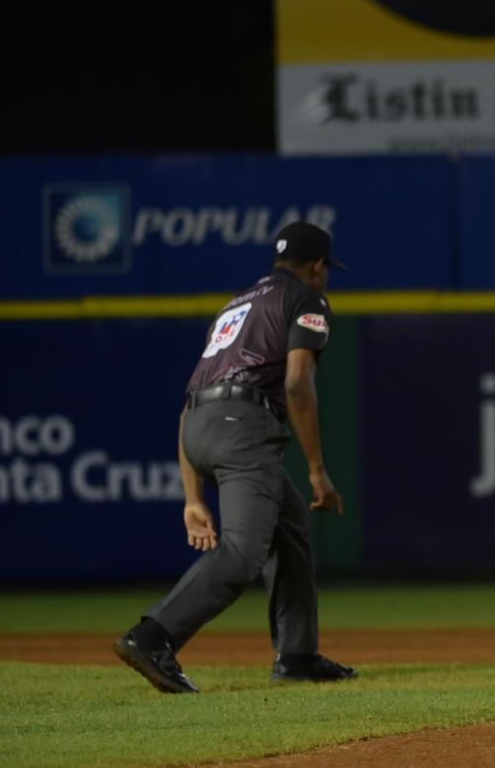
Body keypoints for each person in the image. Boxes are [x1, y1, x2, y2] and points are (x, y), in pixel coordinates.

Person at [112, 222, 358, 693]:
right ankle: (153, 636)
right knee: (244, 552)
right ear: (318, 267)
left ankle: (297, 655)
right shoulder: (307, 298)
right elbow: (296, 384)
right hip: (243, 426)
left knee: (289, 530)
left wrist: (192, 497)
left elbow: (190, 405)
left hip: (199, 426)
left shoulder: (236, 305)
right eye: (327, 268)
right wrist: (317, 470)